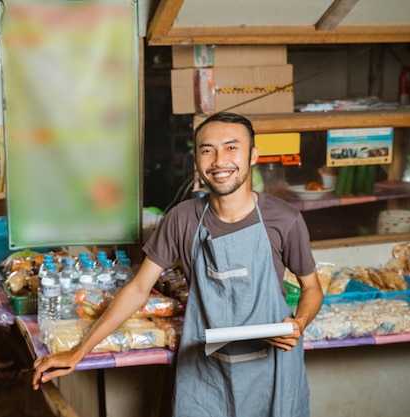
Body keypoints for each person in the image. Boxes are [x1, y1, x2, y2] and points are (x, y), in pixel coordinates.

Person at [32, 111, 324, 417]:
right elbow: (138, 289)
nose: (219, 160)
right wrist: (79, 352)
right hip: (204, 369)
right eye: (207, 150)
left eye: (231, 147)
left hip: (273, 368)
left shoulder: (284, 220)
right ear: (197, 160)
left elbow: (312, 288)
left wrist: (300, 323)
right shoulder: (182, 219)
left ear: (253, 156)